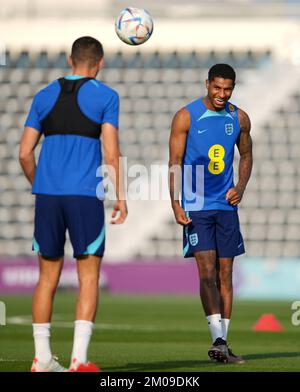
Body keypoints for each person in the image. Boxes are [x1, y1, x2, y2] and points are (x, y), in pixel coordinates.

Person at [19, 36, 127, 372]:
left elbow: (24, 153)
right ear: (101, 63)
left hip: (48, 197)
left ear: (70, 60)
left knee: (46, 277)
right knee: (89, 277)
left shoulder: (43, 95)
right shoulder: (106, 96)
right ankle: (79, 361)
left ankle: (41, 359)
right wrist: (120, 195)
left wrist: (41, 183)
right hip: (84, 196)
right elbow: (110, 153)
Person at [168, 64, 252, 364]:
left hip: (226, 206)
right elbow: (174, 161)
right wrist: (175, 203)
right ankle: (217, 338)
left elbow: (247, 154)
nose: (222, 94)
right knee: (206, 273)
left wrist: (240, 186)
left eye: (227, 89)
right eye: (217, 87)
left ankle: (223, 343)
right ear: (207, 84)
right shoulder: (186, 116)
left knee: (226, 273)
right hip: (196, 206)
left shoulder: (239, 117)